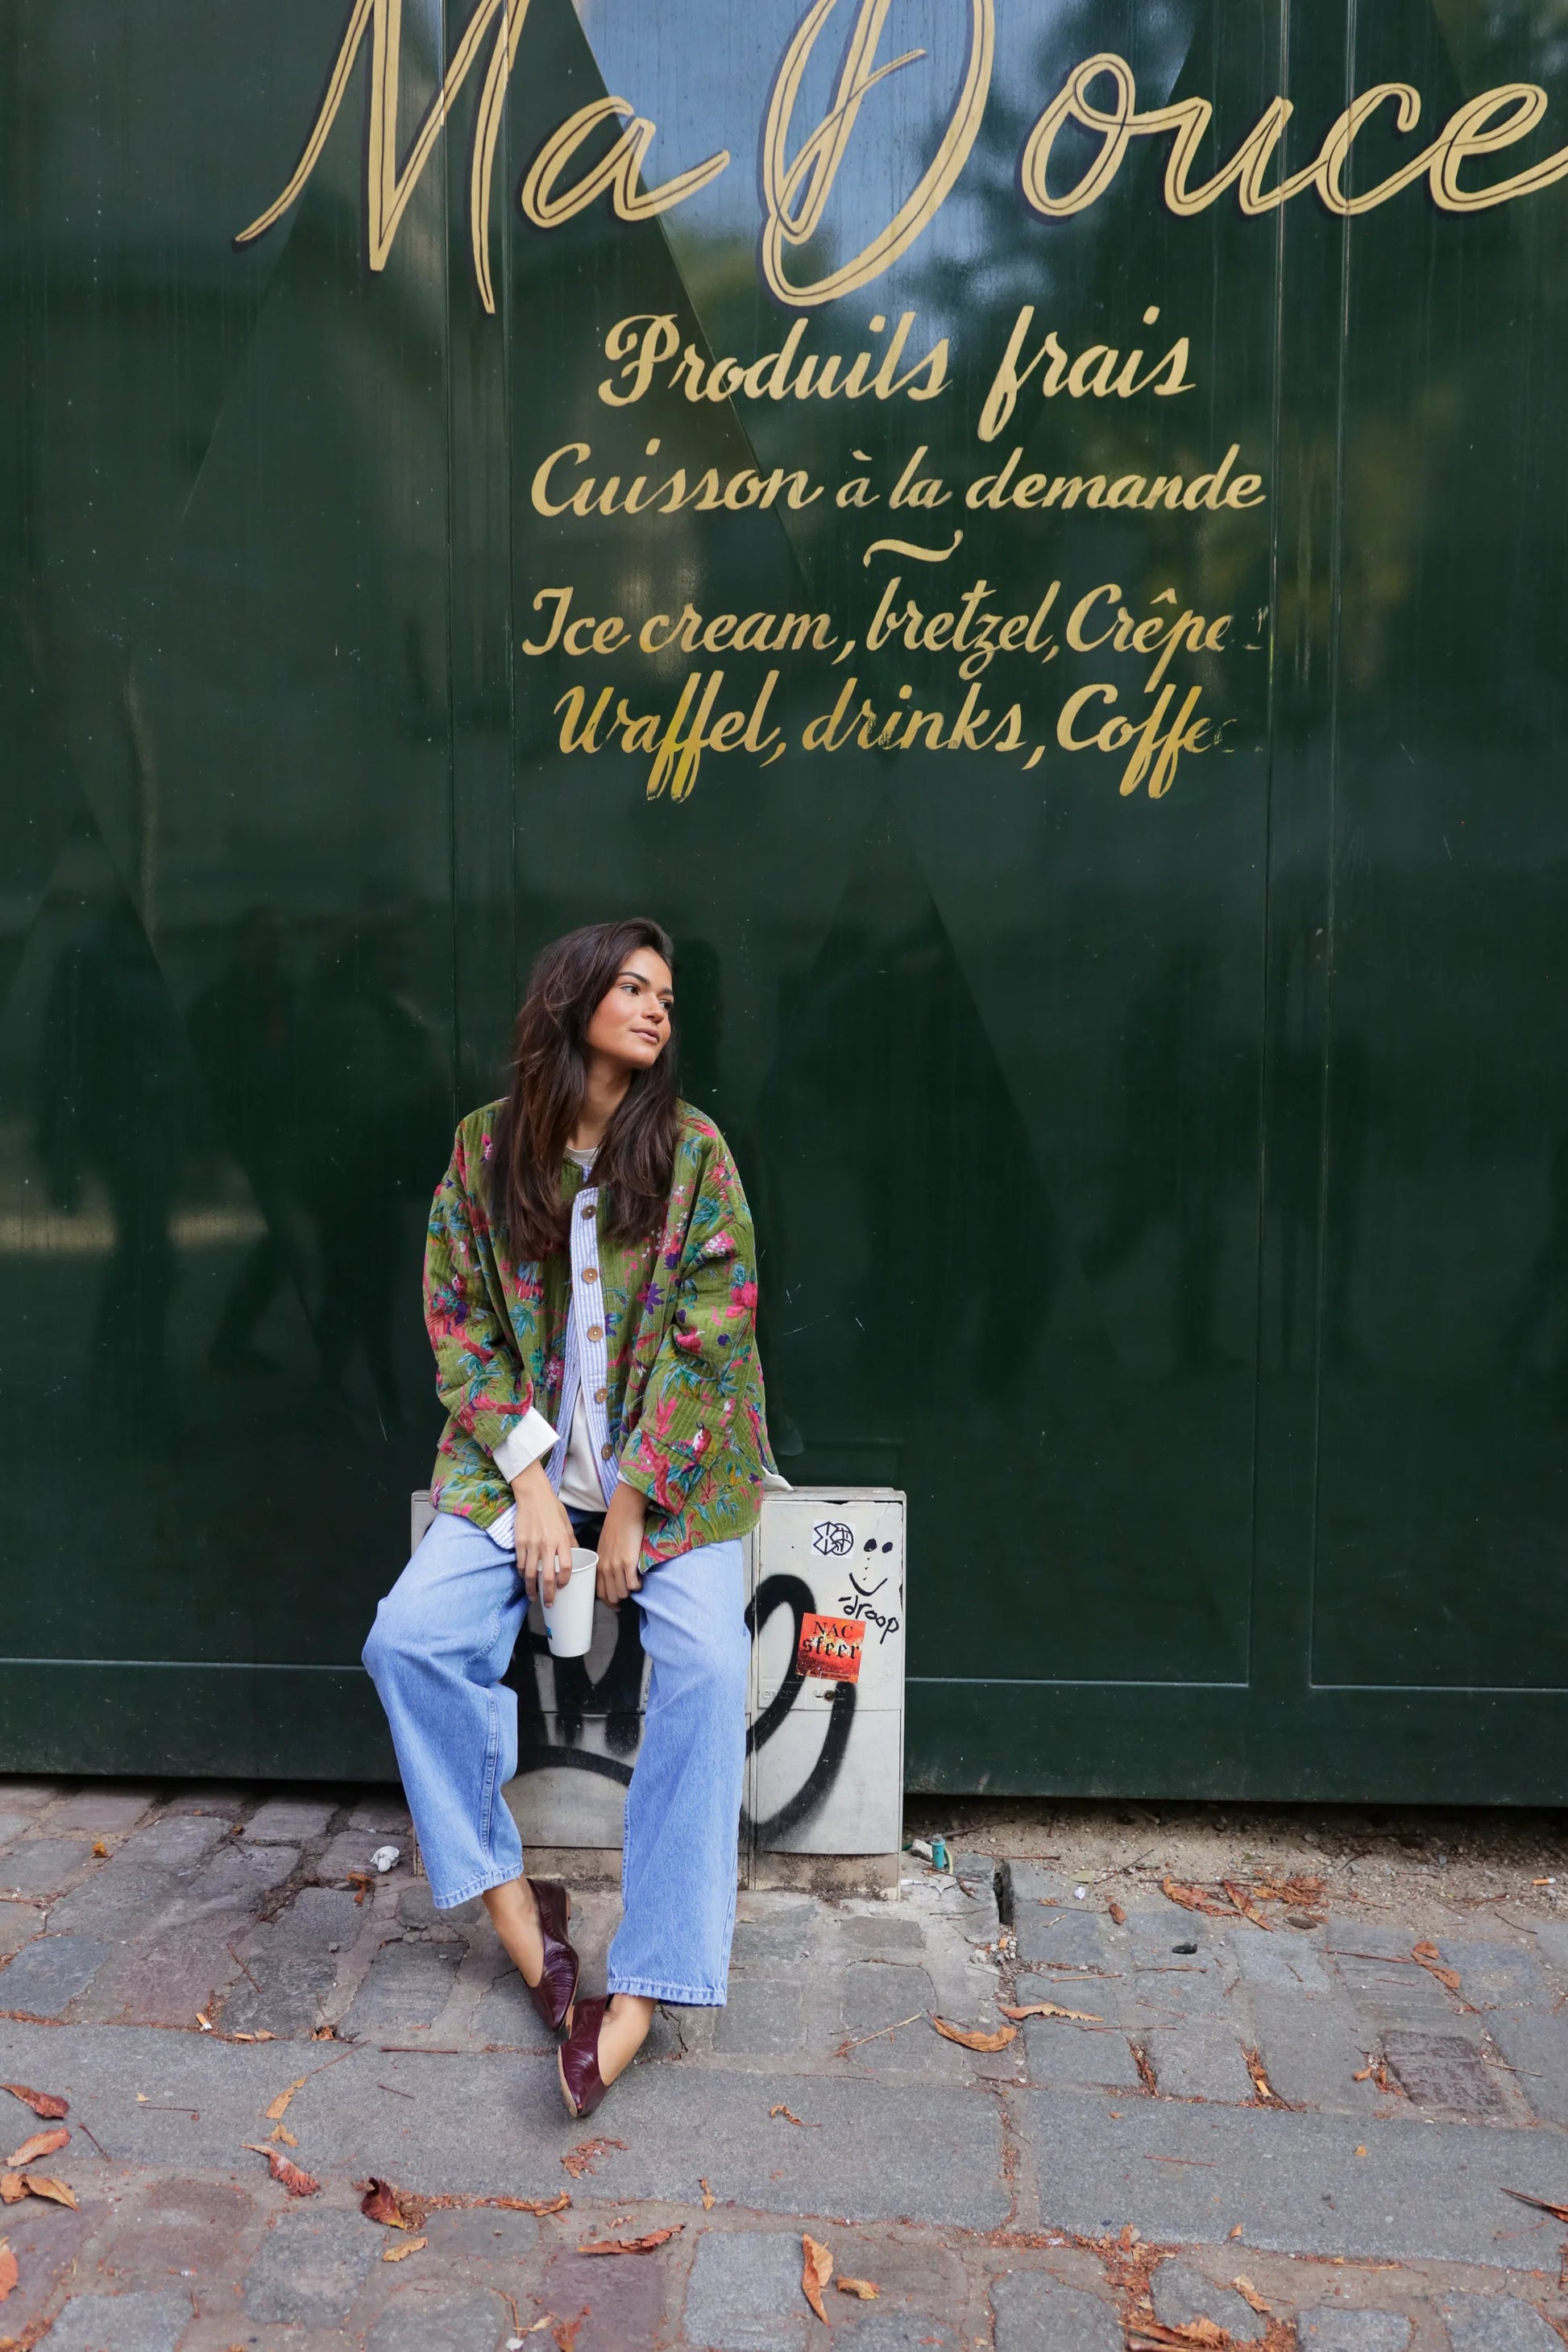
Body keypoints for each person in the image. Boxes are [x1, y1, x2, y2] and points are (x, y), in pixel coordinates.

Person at [363, 918, 777, 2117]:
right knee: (407, 1641)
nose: (656, 1010)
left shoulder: (693, 1152)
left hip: (675, 1476)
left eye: (666, 996)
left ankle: (647, 1983)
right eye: (633, 988)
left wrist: (633, 1502)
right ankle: (514, 1905)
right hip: (518, 1475)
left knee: (706, 1668)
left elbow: (715, 1333)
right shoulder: (485, 1151)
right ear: (573, 999)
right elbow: (458, 1326)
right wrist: (535, 1486)